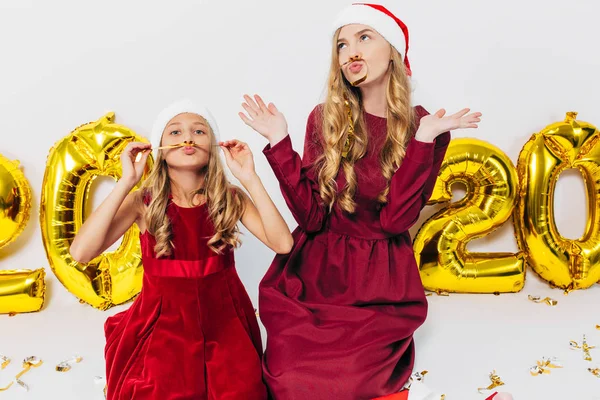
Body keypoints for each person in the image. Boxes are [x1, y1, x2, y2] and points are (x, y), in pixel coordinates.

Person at [239, 4, 511, 400]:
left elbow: (396, 220)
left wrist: (422, 140)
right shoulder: (324, 117)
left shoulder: (424, 127)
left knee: (345, 383)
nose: (351, 51)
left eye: (365, 37)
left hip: (380, 286)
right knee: (290, 379)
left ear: (393, 51)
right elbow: (312, 217)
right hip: (316, 276)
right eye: (341, 44)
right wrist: (279, 143)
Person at [70, 99, 293, 399]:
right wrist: (127, 182)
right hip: (164, 326)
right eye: (174, 132)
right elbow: (81, 252)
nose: (187, 137)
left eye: (199, 131)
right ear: (158, 148)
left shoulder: (230, 197)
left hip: (224, 325)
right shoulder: (143, 202)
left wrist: (249, 178)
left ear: (213, 145)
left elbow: (283, 243)